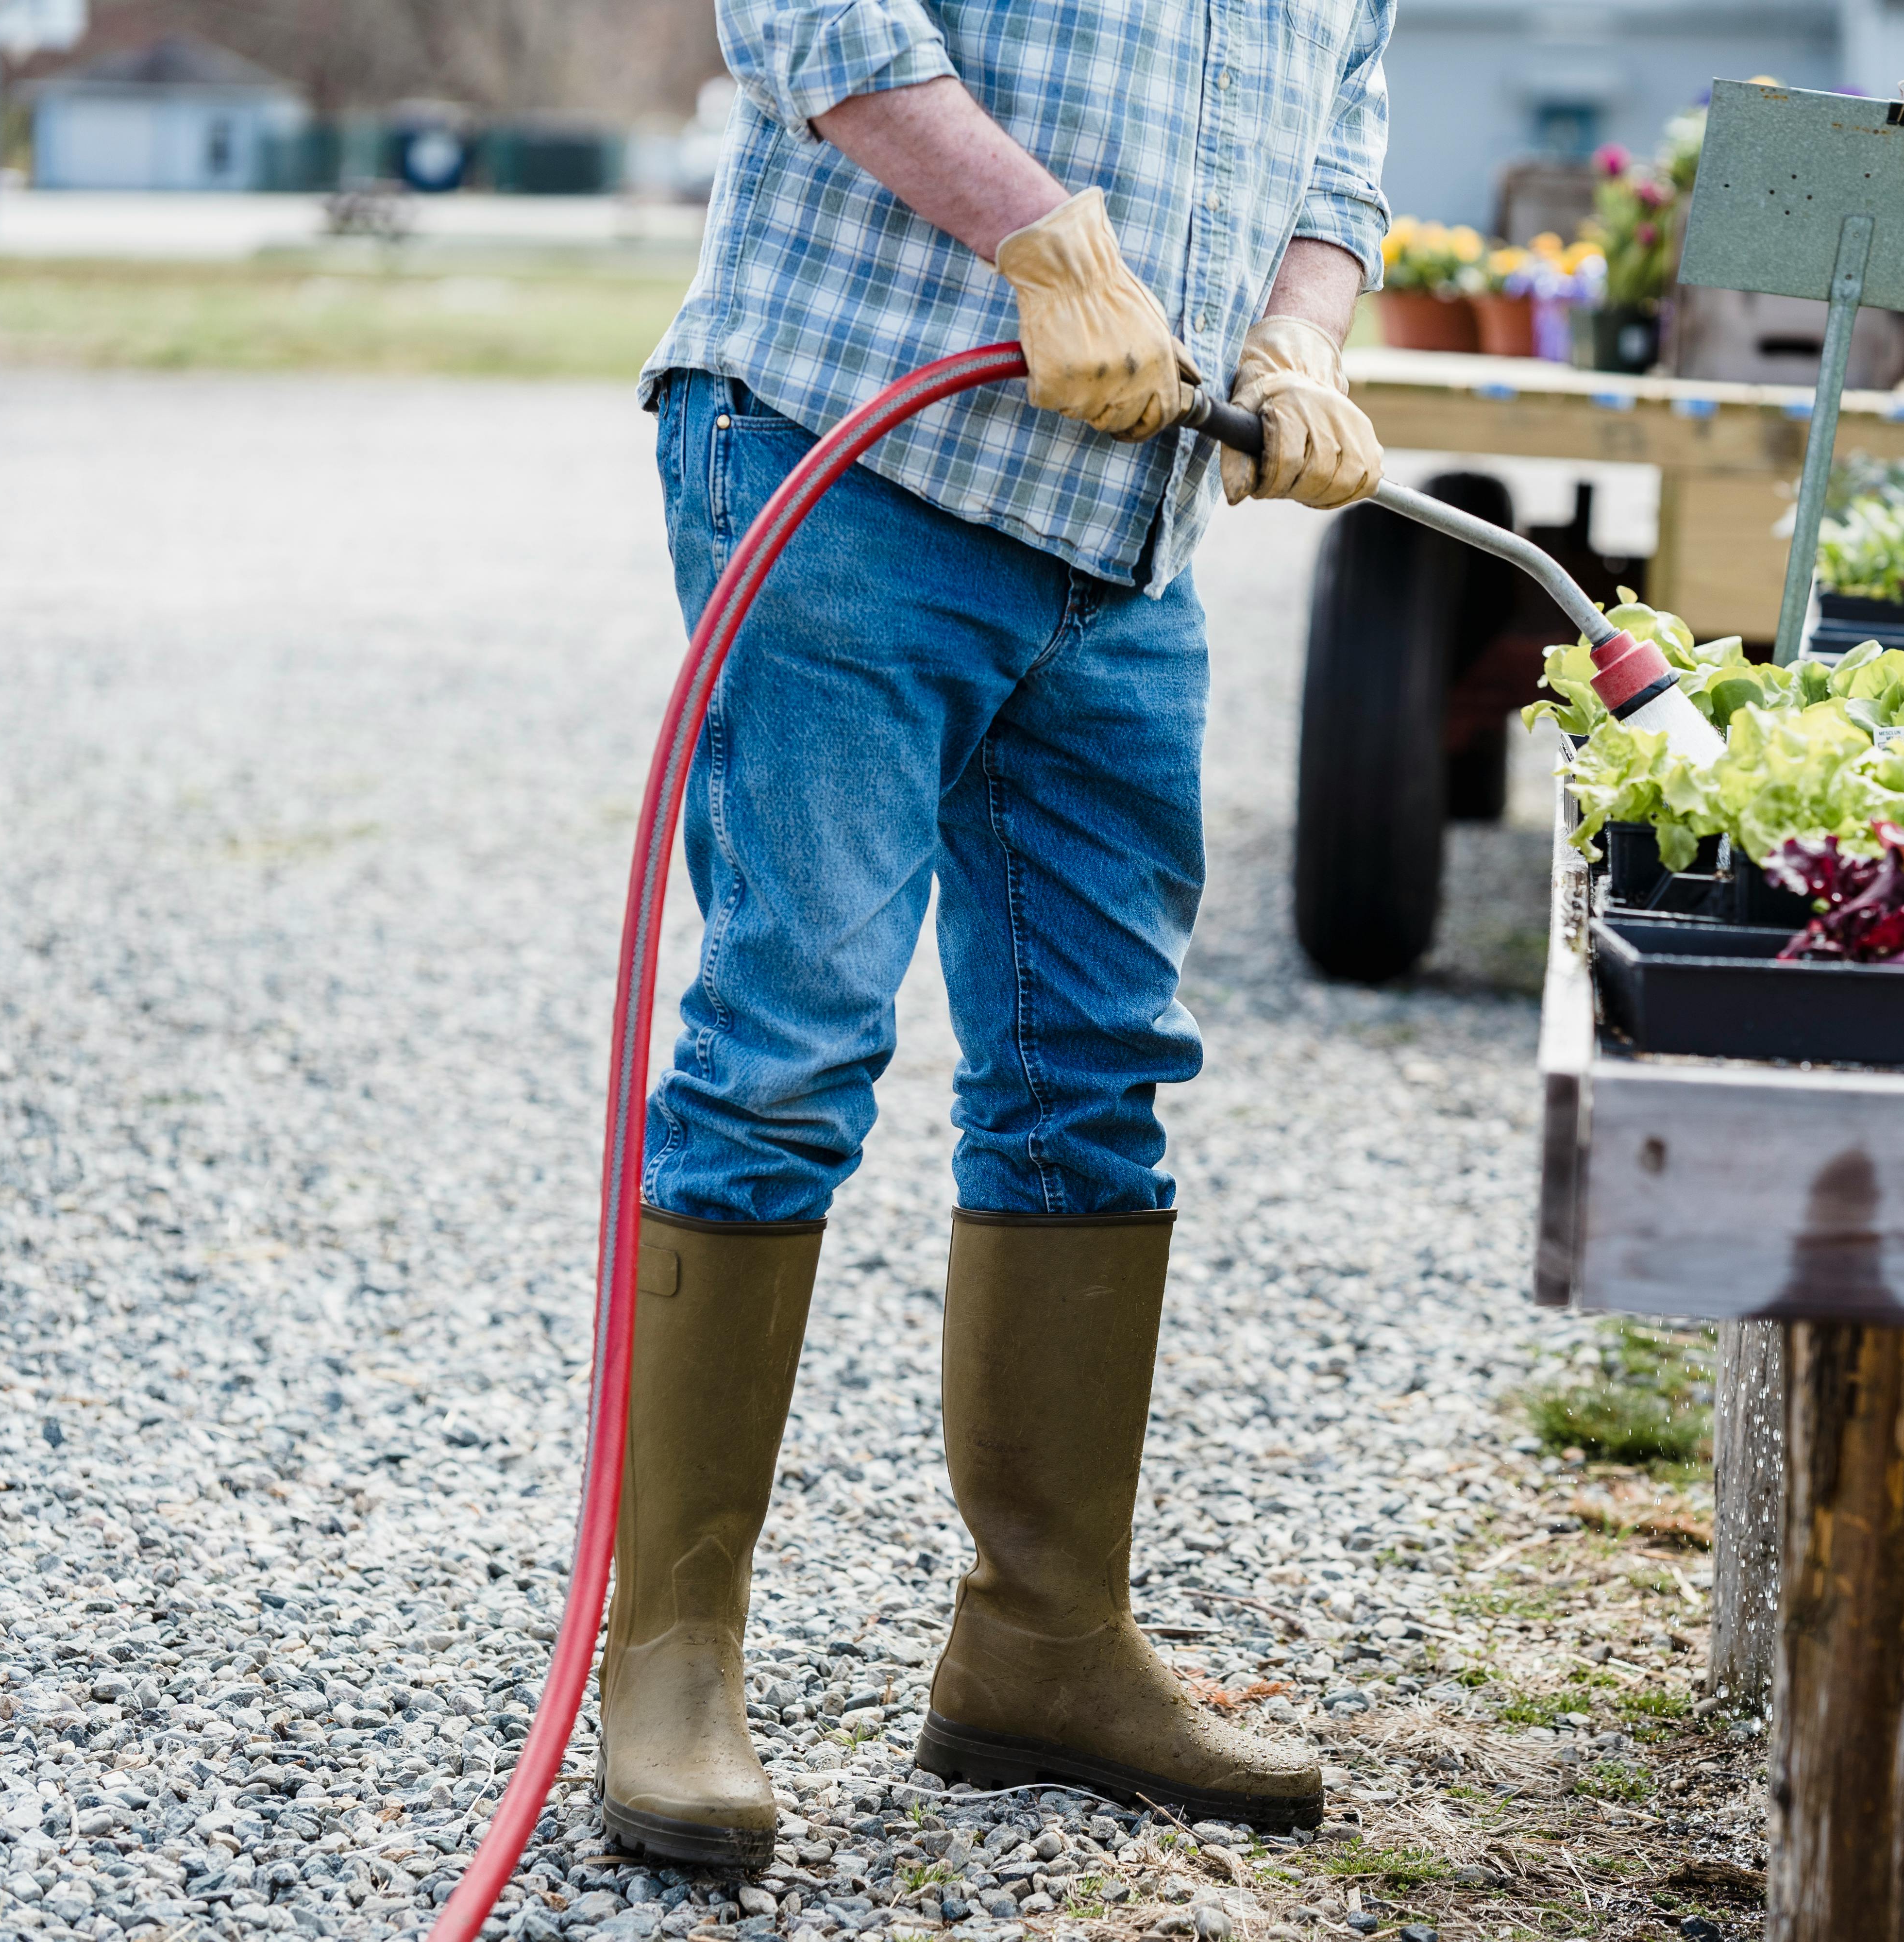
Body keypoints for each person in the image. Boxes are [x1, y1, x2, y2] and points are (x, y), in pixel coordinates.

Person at [601, 0, 1393, 1867]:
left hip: (1128, 529)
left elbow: (1342, 142)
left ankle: (1046, 1644)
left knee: (1094, 1077)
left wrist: (1299, 334)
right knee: (790, 1042)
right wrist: (1041, 236)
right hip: (852, 458)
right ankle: (674, 1652)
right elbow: (812, 14)